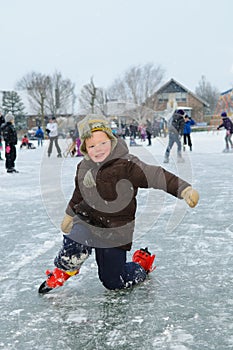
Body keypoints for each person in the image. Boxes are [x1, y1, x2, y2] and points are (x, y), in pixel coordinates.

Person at [38, 115, 199, 294]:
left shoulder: (128, 165)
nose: (98, 149)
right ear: (84, 148)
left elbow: (155, 175)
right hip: (86, 220)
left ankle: (140, 266)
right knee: (74, 245)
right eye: (91, 146)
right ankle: (66, 268)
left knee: (113, 282)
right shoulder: (83, 167)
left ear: (112, 141)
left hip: (115, 230)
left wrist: (183, 189)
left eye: (103, 143)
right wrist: (69, 215)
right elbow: (78, 194)